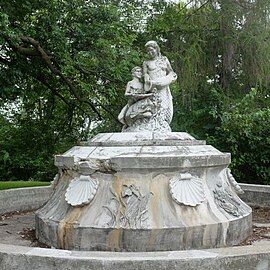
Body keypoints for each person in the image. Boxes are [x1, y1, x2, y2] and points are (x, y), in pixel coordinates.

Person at [143, 40, 177, 131]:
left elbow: (171, 72)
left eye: (151, 50)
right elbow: (145, 76)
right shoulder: (146, 63)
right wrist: (149, 82)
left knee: (164, 106)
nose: (150, 53)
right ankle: (154, 125)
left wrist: (167, 80)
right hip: (153, 89)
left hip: (163, 88)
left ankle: (162, 125)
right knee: (154, 107)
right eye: (148, 51)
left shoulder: (164, 60)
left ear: (156, 49)